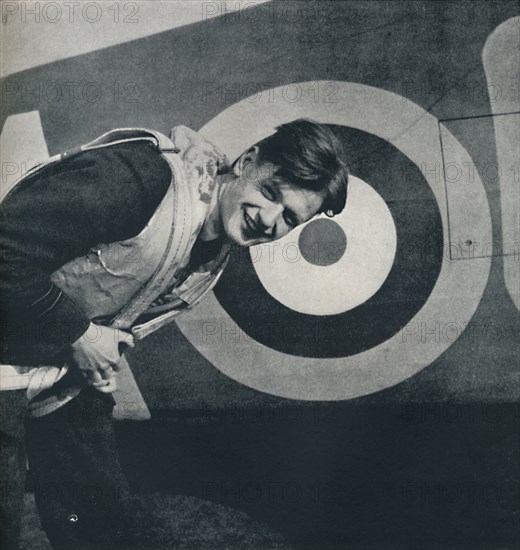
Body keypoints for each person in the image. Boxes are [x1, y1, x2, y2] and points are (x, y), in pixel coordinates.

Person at [0, 119, 349, 549]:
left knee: (101, 522)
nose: (269, 220)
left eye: (290, 219)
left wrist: (98, 344)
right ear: (247, 161)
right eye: (270, 193)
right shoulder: (138, 179)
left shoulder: (214, 244)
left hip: (58, 371)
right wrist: (80, 335)